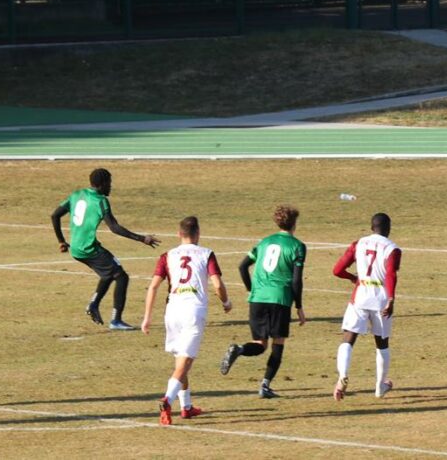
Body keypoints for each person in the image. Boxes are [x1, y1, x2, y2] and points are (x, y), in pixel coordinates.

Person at [140, 216, 232, 425]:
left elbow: (153, 287)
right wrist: (226, 303)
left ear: (179, 234)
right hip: (193, 310)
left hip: (172, 310)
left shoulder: (167, 255)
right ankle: (167, 399)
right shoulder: (206, 253)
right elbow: (217, 284)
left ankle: (186, 407)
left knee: (180, 360)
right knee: (186, 361)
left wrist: (146, 318)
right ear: (198, 233)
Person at [50, 168, 160, 330]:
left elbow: (55, 215)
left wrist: (61, 241)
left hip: (77, 249)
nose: (110, 186)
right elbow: (114, 227)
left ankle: (93, 304)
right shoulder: (100, 200)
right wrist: (142, 238)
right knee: (121, 276)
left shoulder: (77, 194)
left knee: (108, 274)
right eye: (109, 183)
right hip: (89, 249)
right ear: (102, 184)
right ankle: (116, 320)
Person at [220, 205, 307, 399]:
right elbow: (296, 280)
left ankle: (240, 349)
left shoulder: (264, 243)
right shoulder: (297, 246)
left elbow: (242, 267)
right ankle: (265, 385)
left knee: (260, 343)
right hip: (279, 299)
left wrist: (252, 289)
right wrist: (299, 306)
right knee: (278, 344)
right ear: (294, 223)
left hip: (258, 299)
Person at [330, 213, 402, 401]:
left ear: (371, 227)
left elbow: (337, 270)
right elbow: (390, 275)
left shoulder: (358, 243)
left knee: (348, 338)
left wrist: (353, 278)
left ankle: (342, 377)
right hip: (380, 298)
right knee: (382, 344)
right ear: (388, 228)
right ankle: (380, 387)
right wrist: (391, 299)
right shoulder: (392, 249)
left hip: (360, 295)